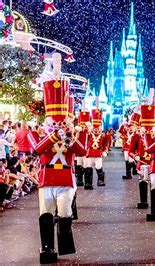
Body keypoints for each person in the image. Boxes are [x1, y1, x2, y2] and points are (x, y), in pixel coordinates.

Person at [28, 54, 87, 264]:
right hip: (46, 180)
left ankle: (64, 242)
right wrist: (52, 136)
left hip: (65, 180)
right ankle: (46, 247)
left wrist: (70, 139)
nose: (58, 127)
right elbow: (37, 150)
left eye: (61, 124)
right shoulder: (38, 133)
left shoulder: (72, 135)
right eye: (55, 124)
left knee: (64, 213)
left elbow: (82, 153)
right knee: (45, 214)